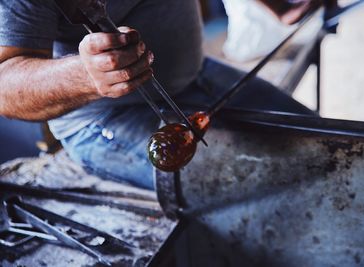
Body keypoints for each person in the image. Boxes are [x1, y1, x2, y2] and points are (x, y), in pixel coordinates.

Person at [0, 0, 323, 190]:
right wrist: (86, 75)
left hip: (196, 74)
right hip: (107, 119)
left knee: (325, 146)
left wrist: (279, 7)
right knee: (274, 184)